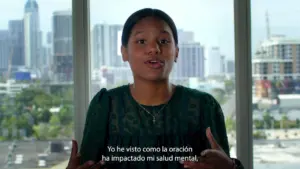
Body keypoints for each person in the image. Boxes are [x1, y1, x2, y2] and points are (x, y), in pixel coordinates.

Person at [66, 8, 244, 169]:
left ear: (176, 52)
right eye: (141, 41)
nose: (153, 48)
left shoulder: (204, 106)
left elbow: (221, 163)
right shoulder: (105, 105)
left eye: (164, 41)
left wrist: (231, 168)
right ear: (124, 52)